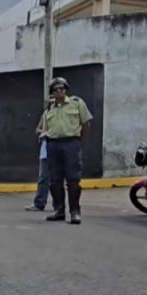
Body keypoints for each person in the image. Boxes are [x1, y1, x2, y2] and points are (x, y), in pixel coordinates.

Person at [40, 77, 93, 225]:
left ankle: (75, 212)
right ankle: (59, 210)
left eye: (62, 88)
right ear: (52, 93)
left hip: (71, 143)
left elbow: (86, 124)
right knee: (55, 180)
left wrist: (80, 144)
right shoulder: (49, 109)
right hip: (53, 145)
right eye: (56, 89)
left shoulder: (77, 103)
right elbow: (46, 129)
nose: (60, 91)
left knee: (73, 180)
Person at [26, 124, 50, 211]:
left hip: (58, 150)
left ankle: (59, 206)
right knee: (43, 178)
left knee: (58, 180)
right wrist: (44, 132)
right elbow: (37, 129)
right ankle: (39, 203)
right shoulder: (45, 114)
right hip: (45, 151)